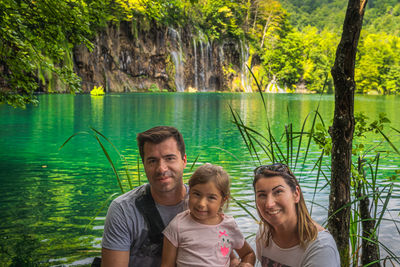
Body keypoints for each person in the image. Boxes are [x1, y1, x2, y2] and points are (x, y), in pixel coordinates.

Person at [101, 126, 188, 267]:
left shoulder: (204, 205)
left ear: (184, 160)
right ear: (144, 165)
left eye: (169, 158)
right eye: (152, 161)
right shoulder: (123, 210)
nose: (161, 168)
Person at [161, 163, 256, 267]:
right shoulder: (178, 225)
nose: (201, 204)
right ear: (189, 192)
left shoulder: (229, 226)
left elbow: (248, 254)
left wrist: (246, 264)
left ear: (223, 200)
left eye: (211, 197)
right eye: (196, 194)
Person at [253, 163, 340, 266]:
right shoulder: (264, 234)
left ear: (296, 194)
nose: (269, 204)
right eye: (262, 195)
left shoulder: (321, 247)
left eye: (278, 192)